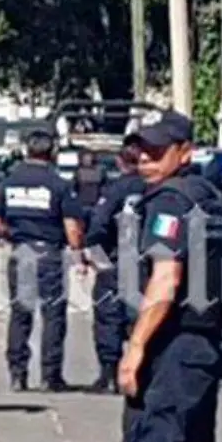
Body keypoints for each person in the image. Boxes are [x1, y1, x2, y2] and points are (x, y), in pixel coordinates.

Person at [112, 109, 222, 442]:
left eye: (157, 150)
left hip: (173, 346)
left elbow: (165, 280)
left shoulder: (170, 201)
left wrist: (135, 349)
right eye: (139, 150)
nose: (145, 159)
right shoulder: (211, 198)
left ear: (185, 152)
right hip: (201, 348)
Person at [0, 130, 83, 392]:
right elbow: (72, 226)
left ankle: (18, 374)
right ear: (51, 152)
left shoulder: (9, 182)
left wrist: (14, 234)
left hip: (21, 252)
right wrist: (79, 255)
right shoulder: (58, 184)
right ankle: (50, 376)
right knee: (53, 316)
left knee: (20, 315)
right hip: (49, 254)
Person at [83, 141, 146, 394]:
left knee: (109, 318)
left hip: (117, 259)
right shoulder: (157, 188)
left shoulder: (115, 190)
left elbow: (98, 225)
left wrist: (96, 258)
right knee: (144, 316)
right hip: (149, 262)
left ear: (121, 162)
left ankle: (109, 375)